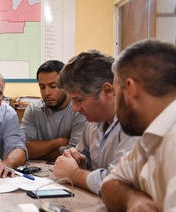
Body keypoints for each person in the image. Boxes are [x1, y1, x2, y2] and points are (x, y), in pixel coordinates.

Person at [101, 39, 176, 211]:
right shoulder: (152, 135)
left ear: (130, 90)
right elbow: (109, 182)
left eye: (115, 93)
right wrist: (132, 199)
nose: (114, 104)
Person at [52, 50, 138, 196]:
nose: (74, 108)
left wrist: (74, 174)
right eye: (71, 100)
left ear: (107, 91)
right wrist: (77, 160)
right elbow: (85, 161)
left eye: (79, 100)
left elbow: (117, 182)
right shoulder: (94, 119)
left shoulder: (136, 123)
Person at [20, 60, 86, 161]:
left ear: (66, 85)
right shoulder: (33, 109)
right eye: (42, 87)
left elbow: (74, 152)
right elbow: (23, 148)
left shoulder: (79, 110)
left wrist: (37, 153)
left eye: (53, 86)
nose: (46, 92)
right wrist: (59, 142)